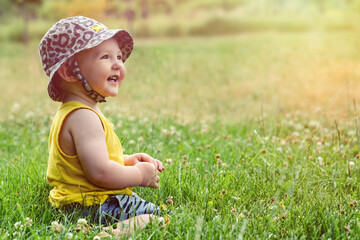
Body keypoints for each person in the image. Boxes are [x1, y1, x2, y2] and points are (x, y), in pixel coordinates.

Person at [38, 16, 165, 235]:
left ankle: (83, 228)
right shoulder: (83, 117)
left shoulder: (75, 111)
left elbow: (86, 163)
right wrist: (139, 175)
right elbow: (99, 172)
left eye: (119, 57)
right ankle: (108, 233)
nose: (117, 64)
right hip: (94, 205)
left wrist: (126, 162)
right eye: (105, 57)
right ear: (69, 72)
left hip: (75, 204)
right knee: (155, 218)